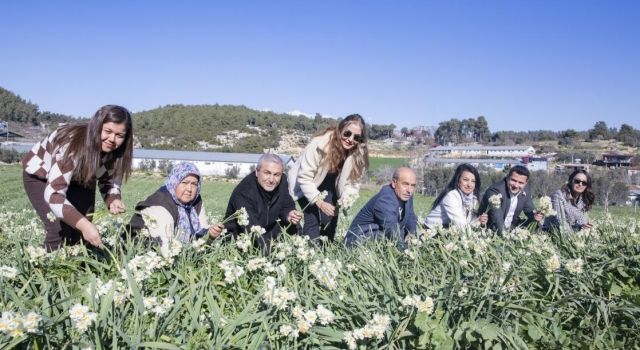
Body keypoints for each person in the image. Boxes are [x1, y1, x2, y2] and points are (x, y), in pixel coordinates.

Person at [22, 105, 133, 251]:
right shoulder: (72, 144)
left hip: (80, 177)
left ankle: (77, 268)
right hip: (42, 176)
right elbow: (54, 194)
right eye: (107, 131)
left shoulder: (117, 151)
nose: (112, 139)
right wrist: (85, 225)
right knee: (58, 230)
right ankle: (42, 267)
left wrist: (113, 199)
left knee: (80, 233)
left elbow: (108, 180)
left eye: (120, 135)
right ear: (96, 127)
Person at [288, 114, 369, 241]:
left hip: (330, 183)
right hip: (307, 182)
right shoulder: (319, 144)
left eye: (356, 137)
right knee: (312, 219)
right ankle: (311, 251)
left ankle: (327, 249)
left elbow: (353, 183)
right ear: (340, 129)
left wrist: (346, 199)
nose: (350, 139)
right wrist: (319, 202)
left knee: (330, 218)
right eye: (347, 133)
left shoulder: (359, 155)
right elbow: (304, 178)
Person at [128, 162, 224, 247]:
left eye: (194, 184)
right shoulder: (161, 204)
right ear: (174, 182)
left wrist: (211, 236)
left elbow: (203, 231)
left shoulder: (196, 201)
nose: (189, 189)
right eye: (184, 183)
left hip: (181, 253)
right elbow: (166, 247)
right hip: (143, 254)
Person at [223, 154, 302, 252]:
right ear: (257, 172)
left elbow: (287, 205)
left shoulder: (282, 183)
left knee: (294, 223)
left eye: (277, 174)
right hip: (242, 237)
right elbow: (250, 227)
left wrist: (289, 214)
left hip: (268, 231)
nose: (271, 179)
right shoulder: (244, 191)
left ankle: (297, 252)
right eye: (267, 173)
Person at [345, 167, 417, 248]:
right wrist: (406, 251)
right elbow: (391, 229)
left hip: (379, 233)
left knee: (406, 234)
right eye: (405, 184)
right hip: (357, 239)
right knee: (387, 236)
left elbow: (411, 217)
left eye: (412, 185)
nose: (409, 190)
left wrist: (412, 235)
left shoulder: (406, 195)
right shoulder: (385, 199)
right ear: (394, 182)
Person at [478, 165, 543, 234]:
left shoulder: (525, 190)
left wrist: (536, 216)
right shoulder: (495, 191)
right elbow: (497, 219)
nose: (516, 185)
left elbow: (530, 211)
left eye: (521, 183)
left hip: (512, 226)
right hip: (492, 228)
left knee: (536, 223)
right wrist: (505, 237)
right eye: (513, 180)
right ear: (507, 177)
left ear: (525, 183)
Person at [424, 163, 488, 229]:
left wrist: (479, 220)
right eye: (465, 180)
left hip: (448, 229)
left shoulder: (471, 198)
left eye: (473, 181)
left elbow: (466, 222)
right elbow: (461, 225)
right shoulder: (451, 196)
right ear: (458, 181)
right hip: (431, 231)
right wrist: (477, 222)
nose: (469, 184)